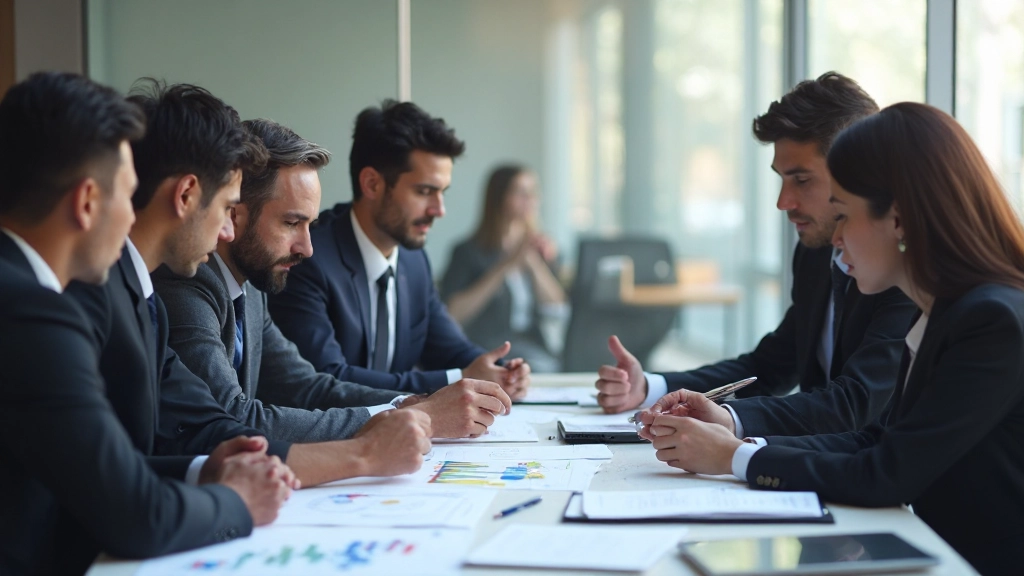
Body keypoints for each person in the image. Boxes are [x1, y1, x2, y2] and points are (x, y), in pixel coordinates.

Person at [640, 102, 1024, 576]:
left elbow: (888, 471)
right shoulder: (948, 309)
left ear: (899, 219)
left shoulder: (991, 319)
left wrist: (734, 456)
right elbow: (876, 438)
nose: (836, 241)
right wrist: (733, 441)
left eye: (842, 215)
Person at [66, 81, 431, 489]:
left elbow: (228, 417)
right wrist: (365, 449)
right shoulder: (162, 286)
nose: (226, 229)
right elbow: (228, 420)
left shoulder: (243, 287)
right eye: (292, 222)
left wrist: (400, 412)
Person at [0, 72, 291, 575]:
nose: (132, 217)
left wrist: (207, 468)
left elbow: (100, 474)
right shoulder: (31, 313)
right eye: (126, 194)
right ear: (88, 202)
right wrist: (238, 501)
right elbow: (135, 513)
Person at [596, 72, 917, 439]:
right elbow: (773, 364)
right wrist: (650, 387)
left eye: (801, 179)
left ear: (855, 175)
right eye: (781, 178)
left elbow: (855, 405)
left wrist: (730, 426)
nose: (783, 202)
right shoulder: (816, 254)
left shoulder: (900, 272)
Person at [154, 118, 512, 441]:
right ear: (235, 215)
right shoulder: (188, 282)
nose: (308, 248)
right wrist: (415, 418)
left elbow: (306, 387)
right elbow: (234, 416)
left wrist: (408, 404)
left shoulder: (250, 286)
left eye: (309, 225)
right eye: (292, 223)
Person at [268, 100, 531, 399]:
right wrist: (460, 378)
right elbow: (327, 378)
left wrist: (500, 369)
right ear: (372, 184)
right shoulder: (309, 258)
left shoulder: (413, 259)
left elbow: (449, 348)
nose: (439, 210)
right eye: (424, 191)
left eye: (442, 193)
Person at [440, 164, 566, 373]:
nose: (530, 199)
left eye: (533, 192)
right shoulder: (468, 252)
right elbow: (453, 312)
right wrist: (506, 265)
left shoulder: (540, 248)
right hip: (487, 350)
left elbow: (557, 305)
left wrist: (533, 262)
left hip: (532, 350)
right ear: (499, 197)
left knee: (550, 367)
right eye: (520, 192)